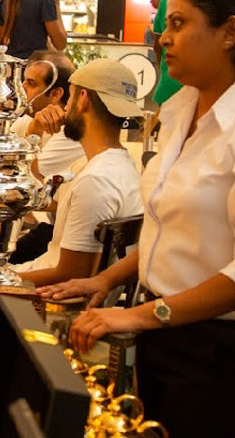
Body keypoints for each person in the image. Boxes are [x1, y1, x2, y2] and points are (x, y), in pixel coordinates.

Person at [40, 0, 235, 438]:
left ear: (230, 31)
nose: (162, 37)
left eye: (178, 23)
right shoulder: (182, 110)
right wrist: (105, 279)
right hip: (166, 336)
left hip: (224, 354)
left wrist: (140, 314)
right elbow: (170, 226)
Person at [13, 59, 142, 288]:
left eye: (69, 97)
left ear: (82, 99)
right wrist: (33, 134)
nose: (63, 108)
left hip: (39, 300)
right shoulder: (117, 164)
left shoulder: (95, 180)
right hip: (38, 278)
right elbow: (46, 202)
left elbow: (71, 275)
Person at [8, 50, 84, 264]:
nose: (21, 89)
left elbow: (26, 188)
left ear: (56, 94)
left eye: (31, 84)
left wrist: (34, 133)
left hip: (68, 241)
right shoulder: (27, 120)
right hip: (54, 228)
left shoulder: (68, 131)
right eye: (23, 81)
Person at [151, 0, 223, 105]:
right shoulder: (222, 0)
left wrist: (165, 69)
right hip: (207, 94)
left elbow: (158, 44)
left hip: (172, 89)